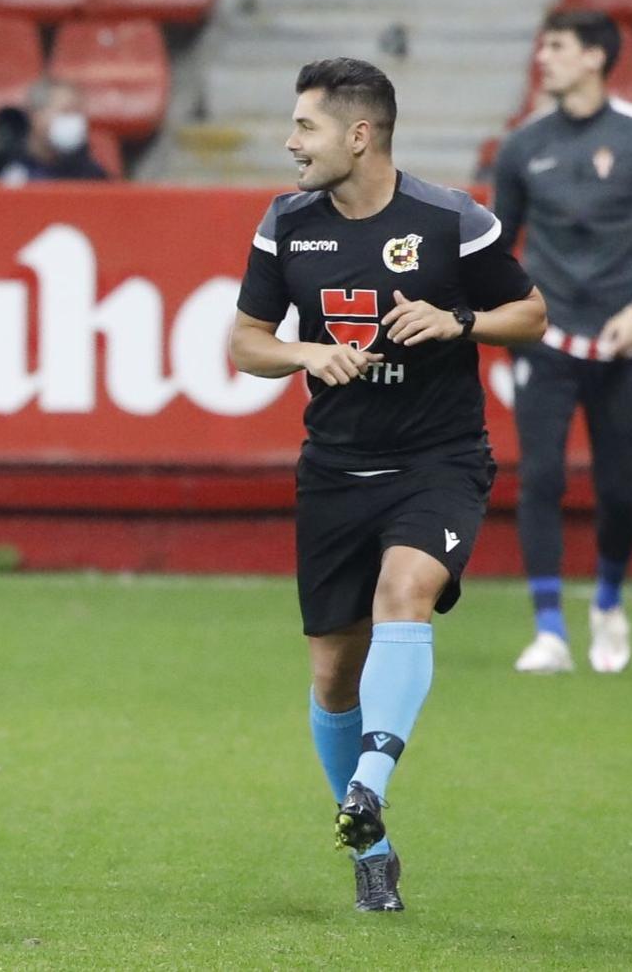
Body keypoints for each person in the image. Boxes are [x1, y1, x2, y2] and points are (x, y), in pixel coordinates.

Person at [229, 58, 546, 912]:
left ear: (359, 135)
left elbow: (532, 314)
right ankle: (375, 845)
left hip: (439, 461)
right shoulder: (287, 224)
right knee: (334, 674)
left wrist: (461, 321)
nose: (291, 143)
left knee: (404, 591)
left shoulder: (453, 220)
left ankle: (368, 784)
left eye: (307, 127)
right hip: (333, 471)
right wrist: (305, 352)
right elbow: (245, 342)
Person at [491, 10, 632, 675]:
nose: (543, 58)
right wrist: (513, 317)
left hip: (621, 342)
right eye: (543, 45)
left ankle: (607, 600)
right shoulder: (522, 146)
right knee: (540, 478)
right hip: (545, 340)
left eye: (557, 47)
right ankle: (549, 629)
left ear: (596, 58)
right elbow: (498, 246)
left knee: (621, 492)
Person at [0, 79, 109, 184]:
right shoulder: (1, 158)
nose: (75, 121)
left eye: (78, 112)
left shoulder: (84, 169)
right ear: (35, 115)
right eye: (66, 111)